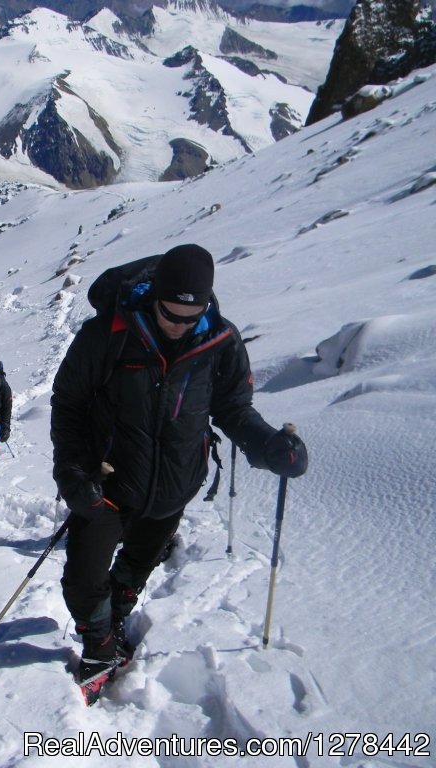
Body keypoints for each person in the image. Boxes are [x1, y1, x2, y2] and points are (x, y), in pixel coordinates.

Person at [50, 244, 308, 688]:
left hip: (175, 484)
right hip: (106, 481)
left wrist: (267, 445)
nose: (178, 326)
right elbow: (69, 405)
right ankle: (98, 646)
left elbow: (233, 408)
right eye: (170, 314)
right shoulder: (108, 334)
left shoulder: (220, 342)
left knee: (136, 566)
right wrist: (72, 471)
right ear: (156, 297)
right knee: (82, 574)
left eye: (189, 317)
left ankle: (114, 619)